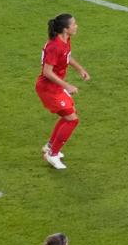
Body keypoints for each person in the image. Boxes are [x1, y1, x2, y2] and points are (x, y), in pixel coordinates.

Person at [36, 13, 90, 170]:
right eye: (74, 24)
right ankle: (52, 154)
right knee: (72, 119)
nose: (76, 26)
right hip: (48, 89)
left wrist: (80, 69)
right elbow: (47, 72)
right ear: (66, 29)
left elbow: (66, 56)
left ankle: (50, 147)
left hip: (55, 87)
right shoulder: (55, 46)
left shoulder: (64, 41)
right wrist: (66, 85)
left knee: (69, 115)